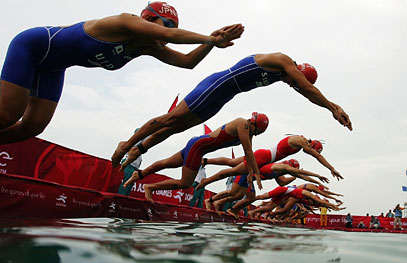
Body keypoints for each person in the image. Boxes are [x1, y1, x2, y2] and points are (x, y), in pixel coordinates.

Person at [0, 1, 244, 144]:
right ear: (148, 19)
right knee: (8, 115)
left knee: (33, 126)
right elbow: (167, 36)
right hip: (33, 46)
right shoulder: (125, 22)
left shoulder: (145, 46)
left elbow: (188, 62)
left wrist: (211, 43)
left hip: (53, 67)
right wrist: (210, 38)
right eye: (167, 24)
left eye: (175, 27)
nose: (170, 32)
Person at [111, 52, 353, 168]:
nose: (293, 85)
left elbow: (307, 94)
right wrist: (333, 107)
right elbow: (308, 90)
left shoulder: (283, 76)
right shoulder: (282, 61)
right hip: (216, 85)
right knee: (171, 118)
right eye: (295, 81)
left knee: (176, 128)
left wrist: (332, 107)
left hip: (223, 97)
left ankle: (140, 148)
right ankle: (128, 143)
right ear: (297, 71)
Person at [122, 113, 268, 202]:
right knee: (185, 183)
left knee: (166, 163)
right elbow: (248, 152)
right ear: (253, 123)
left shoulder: (249, 133)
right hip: (198, 147)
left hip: (197, 145)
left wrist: (250, 172)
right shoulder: (243, 124)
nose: (256, 134)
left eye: (259, 134)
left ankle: (138, 174)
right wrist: (255, 174)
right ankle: (150, 187)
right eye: (257, 131)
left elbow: (249, 154)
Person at [197, 135, 344, 191]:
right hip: (263, 158)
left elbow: (299, 175)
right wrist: (331, 168)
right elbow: (315, 158)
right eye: (316, 151)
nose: (313, 153)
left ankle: (206, 160)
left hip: (263, 156)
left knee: (231, 162)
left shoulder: (299, 142)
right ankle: (206, 181)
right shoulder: (300, 141)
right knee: (232, 171)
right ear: (313, 146)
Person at [206, 159, 330, 215]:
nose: (293, 172)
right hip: (247, 175)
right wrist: (317, 176)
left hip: (251, 179)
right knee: (234, 194)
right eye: (293, 170)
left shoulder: (280, 173)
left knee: (248, 198)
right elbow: (302, 175)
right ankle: (212, 201)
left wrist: (298, 177)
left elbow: (282, 183)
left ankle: (229, 208)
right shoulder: (278, 167)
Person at [248, 186, 342, 219]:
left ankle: (254, 213)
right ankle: (248, 201)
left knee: (273, 209)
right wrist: (334, 200)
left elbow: (324, 201)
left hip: (289, 196)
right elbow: (323, 195)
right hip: (284, 192)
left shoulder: (316, 202)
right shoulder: (310, 193)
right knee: (263, 198)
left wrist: (336, 206)